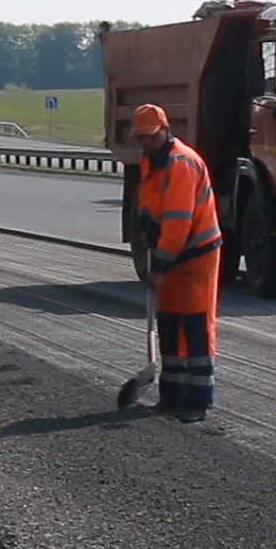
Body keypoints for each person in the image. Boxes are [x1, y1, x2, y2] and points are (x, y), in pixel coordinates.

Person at [118, 103, 222, 423]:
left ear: (165, 130)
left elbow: (178, 222)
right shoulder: (152, 160)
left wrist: (158, 268)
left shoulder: (182, 164)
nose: (146, 143)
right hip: (170, 251)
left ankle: (198, 400)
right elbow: (150, 204)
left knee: (194, 326)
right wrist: (147, 228)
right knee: (169, 323)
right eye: (142, 138)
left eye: (151, 136)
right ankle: (172, 394)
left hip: (196, 254)